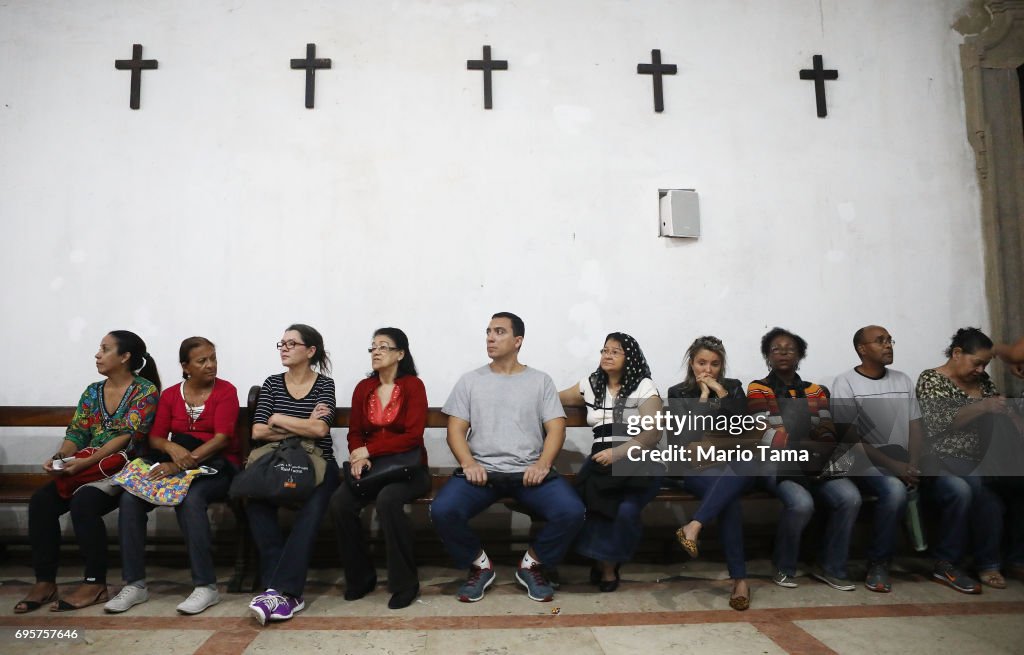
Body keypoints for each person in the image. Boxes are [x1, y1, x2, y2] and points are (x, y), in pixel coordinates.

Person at [431, 312, 585, 603]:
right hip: (482, 473)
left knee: (572, 511)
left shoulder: (540, 381)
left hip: (529, 473)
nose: (490, 337)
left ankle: (532, 564)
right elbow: (455, 430)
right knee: (442, 510)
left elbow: (556, 428)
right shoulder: (470, 380)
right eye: (488, 331)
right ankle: (479, 565)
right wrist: (468, 463)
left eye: (499, 332)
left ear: (518, 341)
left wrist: (543, 464)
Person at [16, 331, 160, 613]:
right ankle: (45, 581)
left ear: (125, 357)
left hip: (122, 471)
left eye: (105, 349)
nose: (97, 354)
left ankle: (95, 583)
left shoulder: (145, 391)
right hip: (86, 466)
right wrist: (61, 456)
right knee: (42, 502)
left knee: (84, 503)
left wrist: (84, 462)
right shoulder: (92, 391)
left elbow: (126, 437)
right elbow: (78, 432)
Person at [105, 336, 240, 615]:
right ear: (185, 366)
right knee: (131, 500)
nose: (211, 365)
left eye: (213, 358)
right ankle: (135, 585)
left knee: (191, 499)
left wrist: (180, 464)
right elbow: (155, 438)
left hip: (215, 466)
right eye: (202, 360)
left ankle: (205, 587)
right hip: (174, 463)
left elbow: (222, 438)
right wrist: (170, 447)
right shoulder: (169, 395)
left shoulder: (226, 391)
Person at [748, 327, 861, 592]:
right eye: (776, 349)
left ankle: (832, 568)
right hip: (776, 463)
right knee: (801, 504)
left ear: (800, 355)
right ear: (767, 356)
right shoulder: (758, 388)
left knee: (850, 498)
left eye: (790, 348)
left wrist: (815, 445)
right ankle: (784, 566)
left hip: (816, 463)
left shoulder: (815, 390)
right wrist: (802, 444)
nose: (783, 353)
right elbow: (761, 432)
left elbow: (826, 429)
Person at [916, 327, 1024, 591]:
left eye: (985, 364)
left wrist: (1007, 414)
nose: (980, 369)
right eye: (977, 363)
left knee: (1016, 487)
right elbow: (939, 423)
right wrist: (983, 407)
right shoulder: (932, 379)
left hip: (986, 457)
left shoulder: (984, 381)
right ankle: (979, 564)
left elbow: (1002, 414)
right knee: (981, 491)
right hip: (946, 456)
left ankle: (1014, 559)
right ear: (957, 353)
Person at [329, 328, 430, 610]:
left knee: (388, 500)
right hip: (372, 470)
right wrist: (358, 457)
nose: (376, 351)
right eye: (373, 347)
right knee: (340, 503)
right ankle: (360, 578)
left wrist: (371, 451)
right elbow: (355, 433)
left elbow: (412, 436)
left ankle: (405, 583)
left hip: (409, 470)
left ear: (400, 353)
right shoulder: (364, 388)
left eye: (383, 347)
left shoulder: (413, 386)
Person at [246, 324, 338, 625]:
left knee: (313, 507)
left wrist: (278, 418)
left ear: (310, 351)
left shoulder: (325, 385)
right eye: (281, 343)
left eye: (291, 343)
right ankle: (284, 592)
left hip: (318, 464)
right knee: (255, 499)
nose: (284, 348)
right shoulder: (272, 383)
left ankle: (281, 591)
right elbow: (258, 430)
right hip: (275, 462)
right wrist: (301, 425)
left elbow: (321, 429)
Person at [558, 332, 662, 593]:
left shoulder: (643, 386)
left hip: (637, 457)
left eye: (615, 351)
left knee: (624, 509)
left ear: (630, 358)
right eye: (605, 350)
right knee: (590, 503)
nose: (607, 354)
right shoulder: (591, 384)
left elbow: (653, 432)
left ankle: (607, 566)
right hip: (601, 458)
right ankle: (603, 563)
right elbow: (552, 397)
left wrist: (619, 453)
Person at [666, 336, 754, 610]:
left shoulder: (734, 389)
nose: (708, 369)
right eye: (702, 362)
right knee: (730, 500)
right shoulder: (678, 392)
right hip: (696, 468)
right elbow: (683, 440)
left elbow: (742, 428)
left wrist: (721, 393)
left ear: (722, 366)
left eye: (715, 364)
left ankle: (693, 526)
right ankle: (740, 580)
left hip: (732, 465)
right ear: (692, 364)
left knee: (749, 462)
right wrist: (704, 398)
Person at [830, 325, 919, 593]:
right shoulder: (845, 382)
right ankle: (879, 563)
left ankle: (948, 563)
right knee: (893, 490)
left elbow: (915, 425)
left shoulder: (902, 380)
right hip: (863, 462)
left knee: (960, 488)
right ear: (862, 349)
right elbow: (850, 438)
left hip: (903, 461)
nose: (888, 345)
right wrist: (895, 467)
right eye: (880, 341)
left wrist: (913, 463)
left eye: (890, 340)